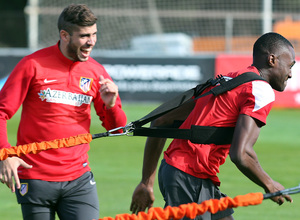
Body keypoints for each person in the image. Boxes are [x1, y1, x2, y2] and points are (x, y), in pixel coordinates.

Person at [130, 32, 296, 220]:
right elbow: (241, 154)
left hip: (182, 174)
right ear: (272, 60)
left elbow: (161, 121)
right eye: (290, 65)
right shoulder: (260, 89)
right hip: (189, 177)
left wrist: (147, 182)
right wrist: (270, 184)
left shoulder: (230, 79)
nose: (290, 73)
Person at [0, 4, 127, 220]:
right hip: (35, 178)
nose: (92, 42)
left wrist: (111, 104)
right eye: (85, 36)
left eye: (94, 34)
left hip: (79, 180)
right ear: (64, 35)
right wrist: (5, 153)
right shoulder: (32, 65)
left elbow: (117, 130)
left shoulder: (96, 72)